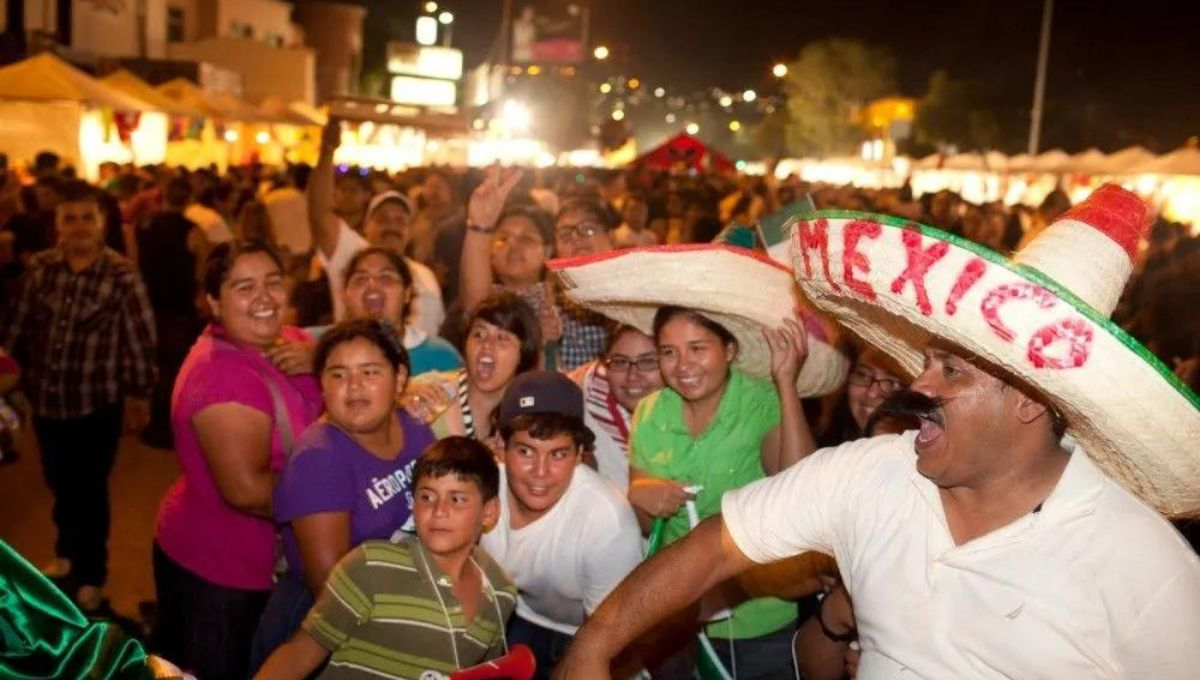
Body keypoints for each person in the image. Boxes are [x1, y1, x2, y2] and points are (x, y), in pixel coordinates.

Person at [553, 185, 1200, 679]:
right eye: (926, 364)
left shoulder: (1147, 567)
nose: (919, 388)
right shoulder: (873, 474)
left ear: (1031, 400)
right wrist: (593, 645)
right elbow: (714, 548)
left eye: (950, 370)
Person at [152, 240, 323, 680]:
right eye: (244, 287)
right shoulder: (221, 374)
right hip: (225, 572)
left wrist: (320, 360)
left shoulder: (290, 340)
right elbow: (246, 491)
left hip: (265, 565)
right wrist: (335, 507)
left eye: (272, 282)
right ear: (213, 301)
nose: (264, 298)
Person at [1, 180, 157, 612]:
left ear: (102, 223)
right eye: (70, 218)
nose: (79, 226)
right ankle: (67, 552)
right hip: (48, 404)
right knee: (60, 484)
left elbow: (140, 340)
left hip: (96, 406)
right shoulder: (42, 269)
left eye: (87, 217)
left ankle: (92, 573)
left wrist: (140, 394)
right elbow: (18, 327)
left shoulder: (122, 275)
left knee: (89, 491)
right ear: (58, 225)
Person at [250, 318, 438, 671]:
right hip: (325, 629)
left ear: (398, 378)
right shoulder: (319, 460)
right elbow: (332, 589)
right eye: (337, 374)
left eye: (370, 373)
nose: (354, 388)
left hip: (399, 605)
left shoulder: (412, 425)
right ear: (321, 384)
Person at [253, 436, 518, 680]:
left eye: (457, 499)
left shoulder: (499, 592)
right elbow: (299, 654)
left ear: (489, 512)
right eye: (426, 496)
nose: (439, 511)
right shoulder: (370, 567)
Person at [480, 370, 643, 679]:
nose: (540, 472)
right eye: (526, 451)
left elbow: (611, 642)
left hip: (581, 634)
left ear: (580, 455)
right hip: (509, 615)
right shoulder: (481, 486)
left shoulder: (607, 522)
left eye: (558, 454)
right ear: (500, 444)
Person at [308, 119, 445, 336]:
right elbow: (319, 213)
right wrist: (327, 151)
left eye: (400, 220)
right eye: (382, 219)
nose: (392, 226)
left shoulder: (425, 277)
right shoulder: (350, 253)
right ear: (366, 228)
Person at [405, 292, 541, 445]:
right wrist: (399, 406)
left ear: (523, 354)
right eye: (479, 334)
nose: (487, 344)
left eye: (502, 338)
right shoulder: (425, 389)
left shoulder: (528, 416)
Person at [319, 247, 462, 376]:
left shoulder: (441, 357)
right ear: (345, 295)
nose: (372, 285)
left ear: (407, 293)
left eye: (385, 278)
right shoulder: (321, 350)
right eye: (360, 279)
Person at [568, 324, 664, 492]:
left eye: (648, 361)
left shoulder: (695, 412)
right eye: (620, 362)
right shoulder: (581, 402)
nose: (632, 376)